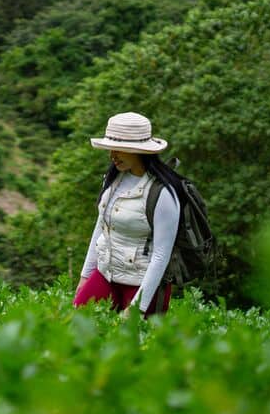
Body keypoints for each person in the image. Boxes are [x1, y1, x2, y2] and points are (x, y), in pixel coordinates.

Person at [73, 112, 186, 319]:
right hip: (106, 273)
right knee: (75, 325)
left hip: (143, 285)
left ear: (139, 151)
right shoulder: (113, 179)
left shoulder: (163, 193)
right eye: (110, 149)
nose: (112, 155)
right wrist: (85, 277)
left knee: (133, 347)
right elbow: (100, 227)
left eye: (119, 149)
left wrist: (137, 308)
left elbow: (161, 256)